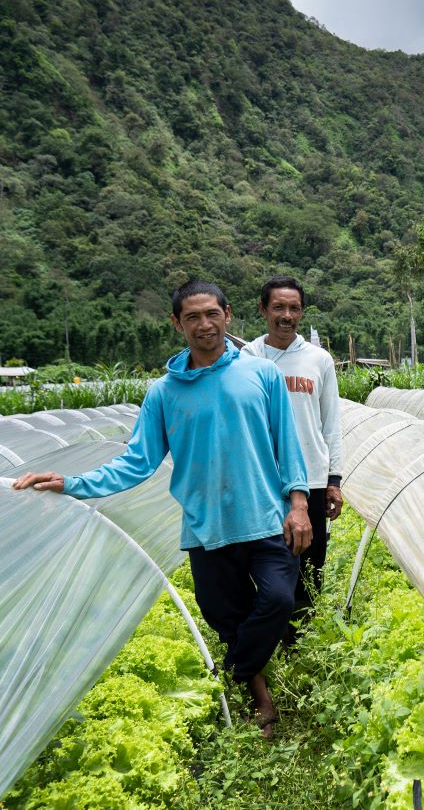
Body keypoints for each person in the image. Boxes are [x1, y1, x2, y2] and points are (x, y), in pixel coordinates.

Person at [12, 279, 311, 736]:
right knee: (225, 617)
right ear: (177, 324)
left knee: (276, 599)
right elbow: (137, 461)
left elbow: (287, 444)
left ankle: (231, 674)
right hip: (206, 526)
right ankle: (262, 702)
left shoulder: (261, 374)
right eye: (192, 317)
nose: (204, 324)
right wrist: (71, 483)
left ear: (228, 315)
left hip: (265, 517)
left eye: (212, 314)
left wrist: (299, 504)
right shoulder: (163, 393)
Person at [242, 276, 344, 639]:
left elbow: (331, 423)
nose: (287, 316)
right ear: (263, 310)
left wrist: (334, 480)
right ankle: (270, 629)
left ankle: (302, 637)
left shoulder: (318, 360)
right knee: (267, 558)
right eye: (279, 308)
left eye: (294, 308)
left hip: (312, 477)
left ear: (302, 312)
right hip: (264, 478)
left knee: (310, 561)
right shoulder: (248, 358)